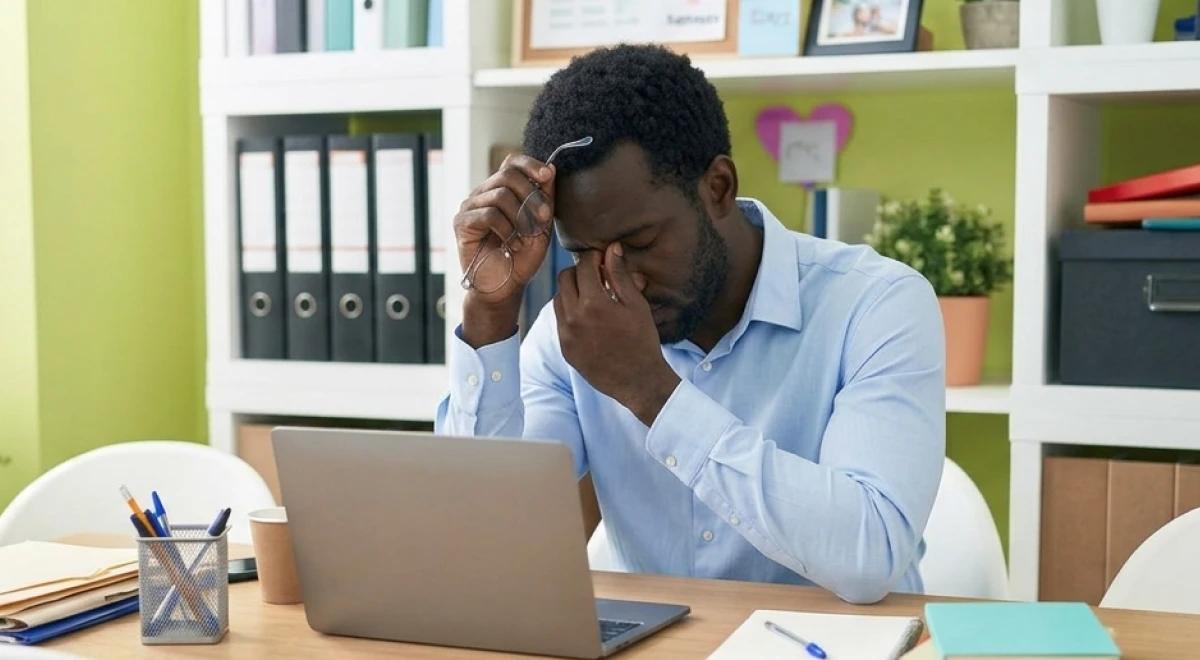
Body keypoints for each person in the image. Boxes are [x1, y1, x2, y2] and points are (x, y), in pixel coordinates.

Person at [436, 44, 944, 604]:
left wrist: (652, 391)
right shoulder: (572, 333)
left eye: (641, 242)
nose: (618, 280)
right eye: (583, 252)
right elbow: (488, 542)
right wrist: (490, 313)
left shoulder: (875, 305)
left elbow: (869, 555)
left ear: (718, 187)